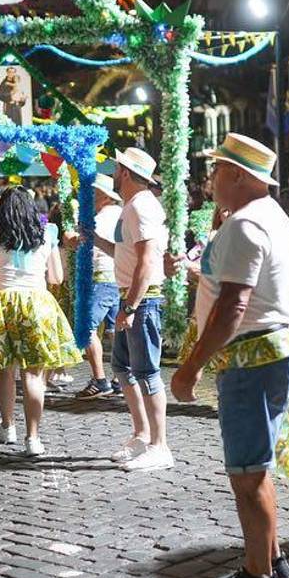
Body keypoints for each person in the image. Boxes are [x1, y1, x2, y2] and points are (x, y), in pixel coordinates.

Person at [170, 134, 289, 578]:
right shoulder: (266, 217)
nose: (210, 180)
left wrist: (191, 367)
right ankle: (272, 558)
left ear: (238, 176)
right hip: (268, 353)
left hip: (253, 357)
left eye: (217, 170)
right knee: (257, 467)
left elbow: (233, 306)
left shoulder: (247, 224)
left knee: (247, 474)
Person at [0, 186, 80, 456]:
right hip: (37, 302)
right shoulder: (48, 232)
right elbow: (56, 278)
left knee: (4, 370)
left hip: (3, 304)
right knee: (34, 375)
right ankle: (33, 438)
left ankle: (8, 426)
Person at [99, 148, 172, 471]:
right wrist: (92, 240)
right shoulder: (134, 206)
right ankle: (143, 435)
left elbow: (147, 260)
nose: (114, 172)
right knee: (122, 367)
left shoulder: (141, 206)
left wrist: (130, 306)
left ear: (126, 173)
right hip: (132, 297)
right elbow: (126, 253)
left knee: (147, 373)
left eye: (117, 168)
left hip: (141, 300)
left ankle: (159, 445)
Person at [72, 174, 124, 399]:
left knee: (86, 327)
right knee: (115, 330)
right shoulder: (121, 214)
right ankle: (121, 379)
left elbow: (87, 248)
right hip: (118, 278)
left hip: (101, 278)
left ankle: (100, 380)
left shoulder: (101, 218)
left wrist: (72, 241)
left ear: (103, 195)